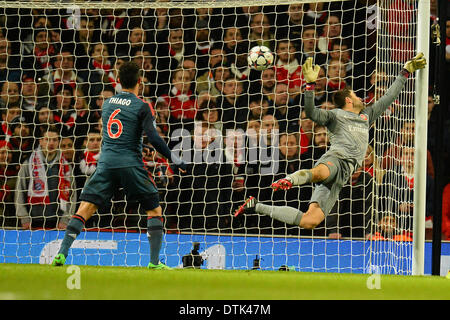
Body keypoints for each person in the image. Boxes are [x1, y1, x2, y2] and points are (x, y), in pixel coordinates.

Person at [234, 53, 426, 233]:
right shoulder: (335, 116)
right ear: (348, 101)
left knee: (310, 221)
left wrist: (405, 71)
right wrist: (309, 86)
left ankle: (255, 205)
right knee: (320, 173)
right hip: (336, 159)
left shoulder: (367, 116)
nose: (360, 97)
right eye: (356, 95)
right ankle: (290, 180)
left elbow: (389, 97)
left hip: (343, 175)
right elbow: (311, 113)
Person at [51, 61, 186, 269]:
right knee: (154, 210)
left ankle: (61, 254)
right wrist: (174, 158)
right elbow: (154, 137)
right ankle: (154, 262)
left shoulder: (108, 103)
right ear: (140, 82)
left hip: (106, 162)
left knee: (85, 208)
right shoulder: (143, 105)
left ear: (119, 81)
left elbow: (119, 134)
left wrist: (139, 146)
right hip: (130, 164)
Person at [15, 127, 76, 230]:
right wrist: (24, 217)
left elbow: (72, 195)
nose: (51, 143)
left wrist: (66, 219)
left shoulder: (66, 166)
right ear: (41, 141)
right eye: (47, 139)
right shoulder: (29, 163)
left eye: (55, 140)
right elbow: (19, 190)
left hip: (59, 222)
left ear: (58, 142)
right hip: (32, 221)